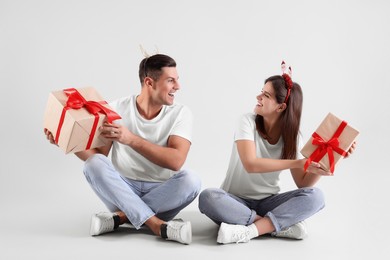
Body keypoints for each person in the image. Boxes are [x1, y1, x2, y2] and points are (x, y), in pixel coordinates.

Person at [44, 53, 201, 245]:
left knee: (191, 180)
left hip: (163, 193)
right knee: (93, 163)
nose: (178, 86)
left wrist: (130, 139)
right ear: (149, 82)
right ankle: (156, 225)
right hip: (123, 190)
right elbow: (98, 157)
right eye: (171, 81)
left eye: (177, 80)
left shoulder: (181, 113)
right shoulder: (116, 109)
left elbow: (176, 161)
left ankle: (122, 217)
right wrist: (66, 142)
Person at [198, 61, 356, 244]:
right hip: (235, 201)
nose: (258, 96)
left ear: (281, 107)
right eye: (261, 92)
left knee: (316, 196)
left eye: (265, 95)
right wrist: (298, 162)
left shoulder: (293, 138)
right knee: (208, 197)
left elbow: (303, 183)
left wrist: (334, 157)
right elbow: (250, 164)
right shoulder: (246, 122)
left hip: (268, 204)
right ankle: (273, 226)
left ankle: (248, 231)